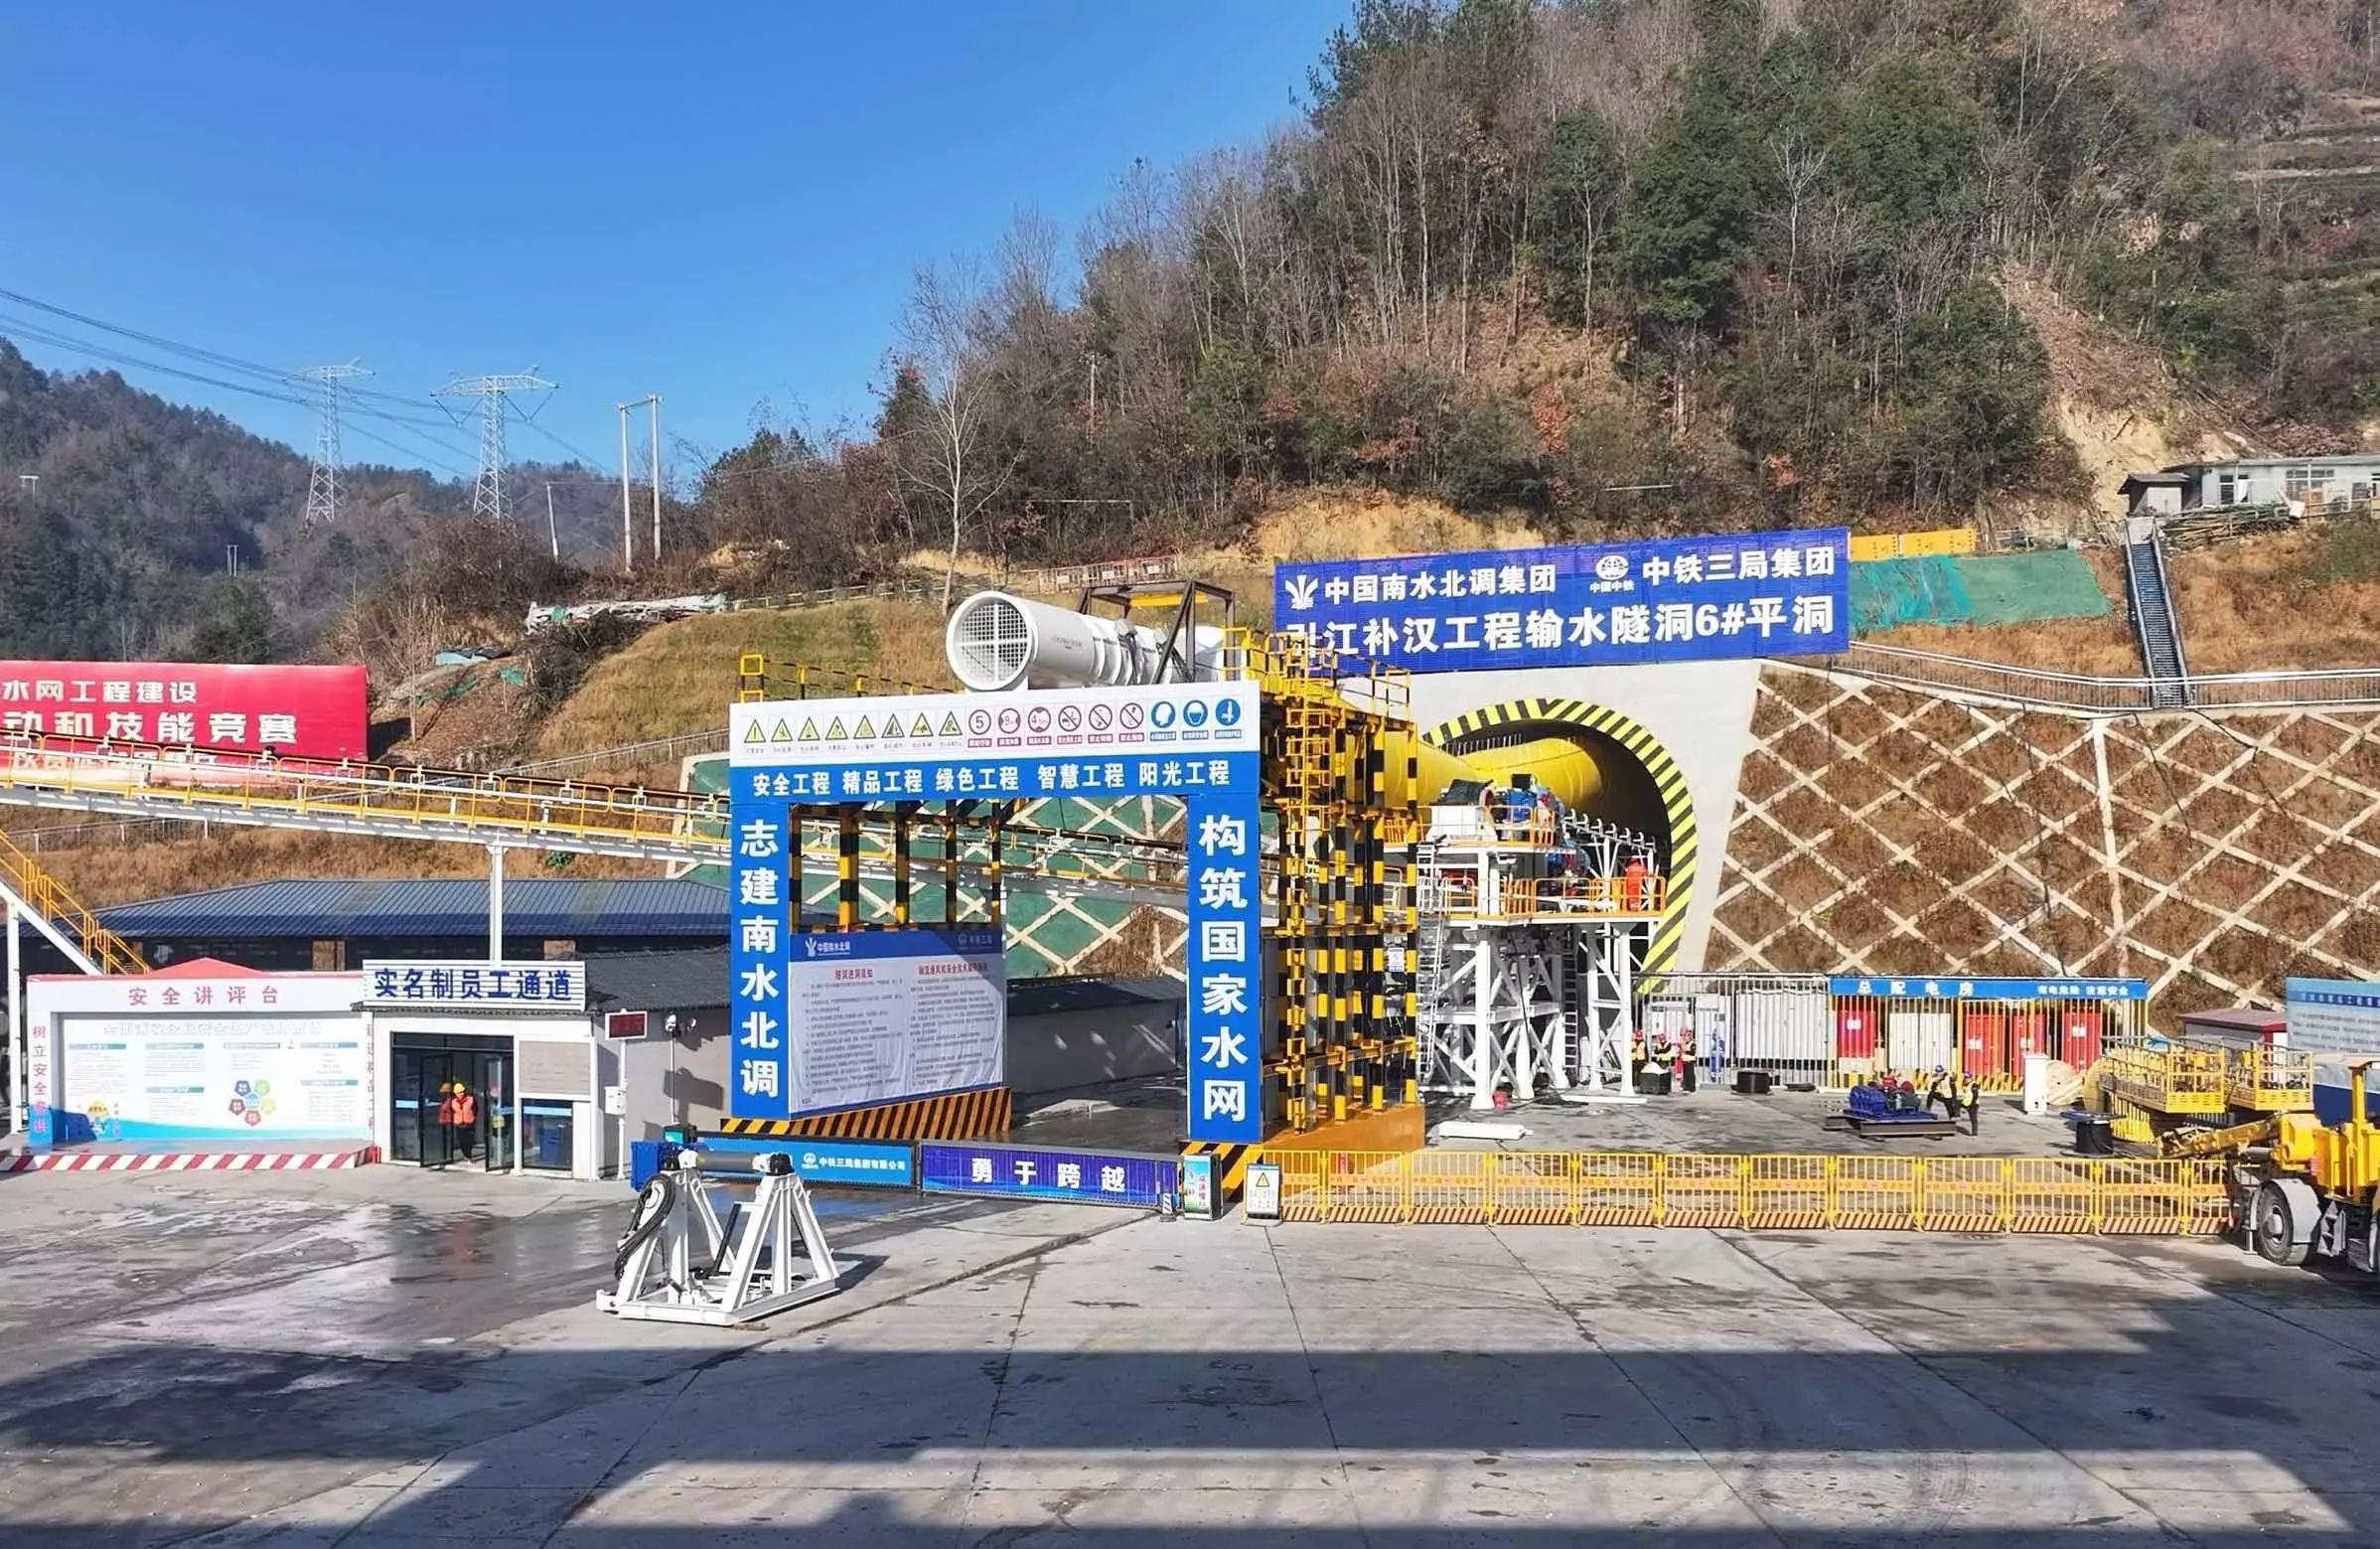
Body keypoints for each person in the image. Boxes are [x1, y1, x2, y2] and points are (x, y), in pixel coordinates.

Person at [1961, 1070, 1984, 1136]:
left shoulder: (1974, 1085)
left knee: (1973, 1118)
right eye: (1965, 1077)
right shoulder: (1965, 1084)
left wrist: (1972, 1105)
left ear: (1971, 1078)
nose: (1966, 1079)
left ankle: (1974, 1132)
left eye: (1968, 1078)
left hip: (1973, 1104)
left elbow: (1975, 1096)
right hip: (1966, 1103)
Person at [1679, 1023, 1698, 1093]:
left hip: (1690, 1061)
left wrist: (1685, 1051)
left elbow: (1692, 1052)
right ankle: (1686, 1087)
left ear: (1689, 1037)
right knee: (1685, 1075)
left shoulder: (1692, 1044)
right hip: (1685, 1061)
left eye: (1686, 1037)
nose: (1684, 1038)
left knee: (1690, 1075)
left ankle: (1692, 1088)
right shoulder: (1684, 1044)